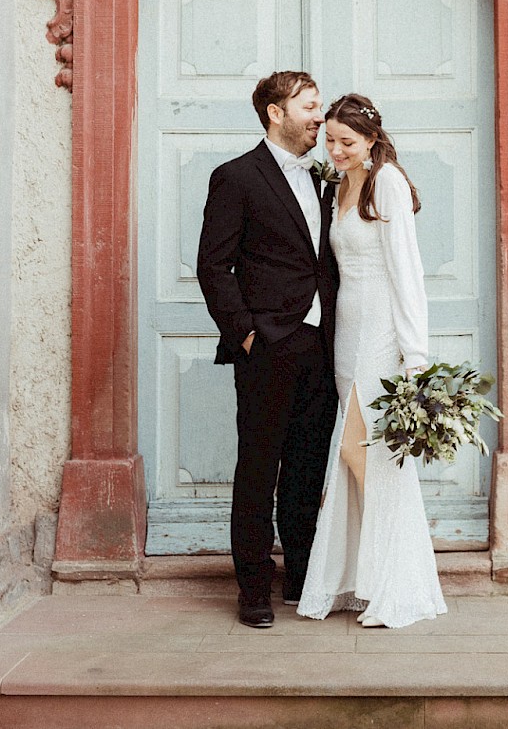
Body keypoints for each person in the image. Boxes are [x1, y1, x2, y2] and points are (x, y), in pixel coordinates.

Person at [297, 93, 447, 629]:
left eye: (347, 142)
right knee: (359, 457)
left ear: (372, 140)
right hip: (347, 333)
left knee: (365, 456)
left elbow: (407, 272)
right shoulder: (339, 182)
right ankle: (367, 576)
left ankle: (392, 583)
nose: (335, 150)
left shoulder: (387, 182)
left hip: (381, 331)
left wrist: (415, 356)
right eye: (330, 140)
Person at [196, 70, 339, 629]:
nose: (319, 116)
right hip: (267, 345)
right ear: (276, 112)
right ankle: (253, 586)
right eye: (309, 105)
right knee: (258, 469)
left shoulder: (327, 179)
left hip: (321, 344)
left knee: (307, 468)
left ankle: (300, 576)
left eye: (320, 105)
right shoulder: (236, 177)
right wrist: (245, 332)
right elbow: (213, 265)